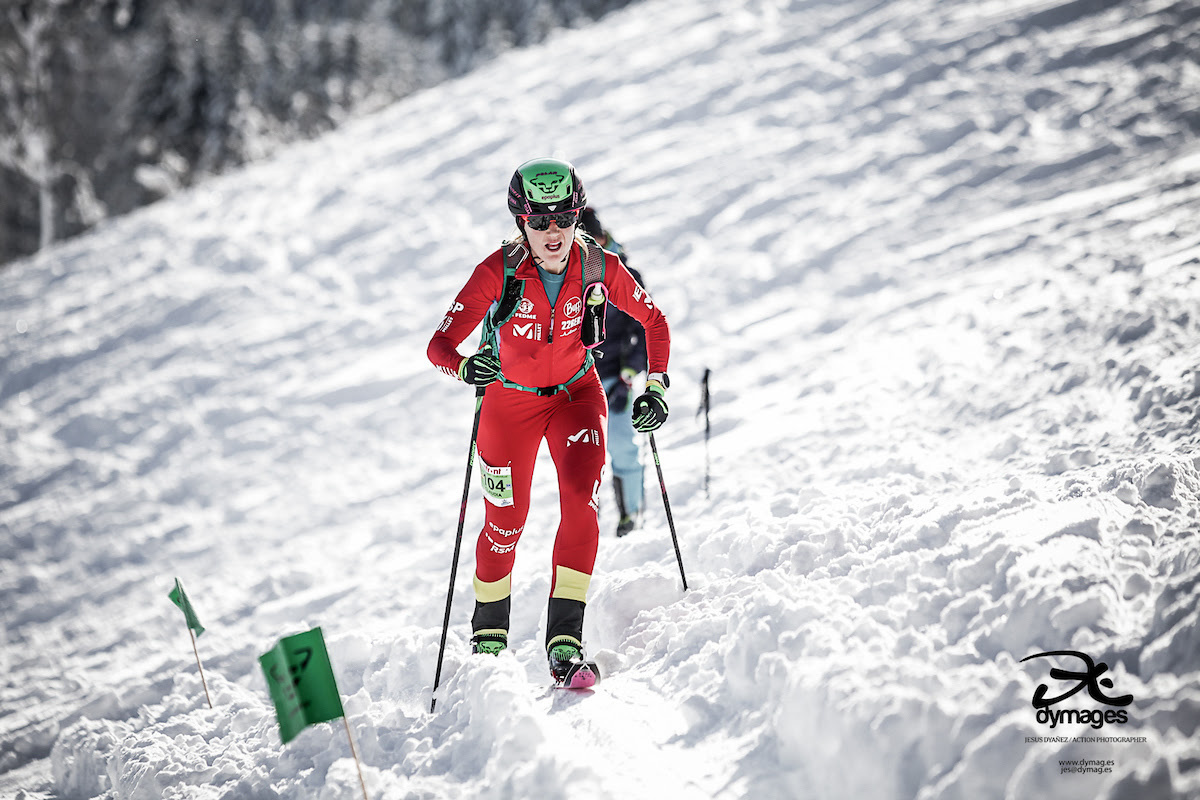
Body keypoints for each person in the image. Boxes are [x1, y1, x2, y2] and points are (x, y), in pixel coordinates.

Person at [427, 158, 672, 684]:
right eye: (539, 221)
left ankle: (565, 642)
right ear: (521, 223)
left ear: (577, 214)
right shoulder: (498, 271)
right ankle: (488, 640)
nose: (553, 231)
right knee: (504, 524)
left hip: (576, 397)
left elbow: (654, 321)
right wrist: (467, 365)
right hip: (507, 403)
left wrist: (656, 386)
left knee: (582, 505)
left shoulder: (599, 266)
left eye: (563, 216)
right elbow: (438, 345)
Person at [578, 207, 647, 538]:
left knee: (622, 445)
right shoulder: (569, 276)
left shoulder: (626, 274)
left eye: (598, 239)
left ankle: (630, 513)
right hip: (579, 381)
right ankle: (585, 517)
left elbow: (643, 329)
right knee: (583, 454)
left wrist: (629, 375)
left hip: (615, 377)